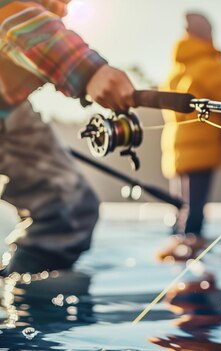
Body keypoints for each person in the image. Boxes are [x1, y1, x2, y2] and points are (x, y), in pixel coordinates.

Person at [0, 0, 136, 274]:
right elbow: (12, 17)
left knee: (69, 211)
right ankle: (28, 305)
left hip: (8, 108)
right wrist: (88, 70)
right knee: (68, 211)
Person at [156, 13, 221, 261]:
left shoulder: (177, 68)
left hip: (175, 147)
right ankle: (190, 253)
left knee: (181, 205)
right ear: (208, 34)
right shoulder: (208, 63)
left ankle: (175, 248)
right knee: (195, 209)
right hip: (201, 147)